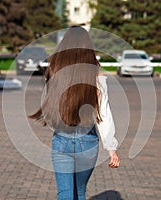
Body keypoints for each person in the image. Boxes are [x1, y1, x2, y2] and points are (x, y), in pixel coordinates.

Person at [29, 26, 120, 200]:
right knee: (79, 193)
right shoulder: (96, 76)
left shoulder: (55, 71)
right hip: (88, 143)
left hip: (61, 140)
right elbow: (104, 114)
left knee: (66, 195)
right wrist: (111, 148)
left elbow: (48, 106)